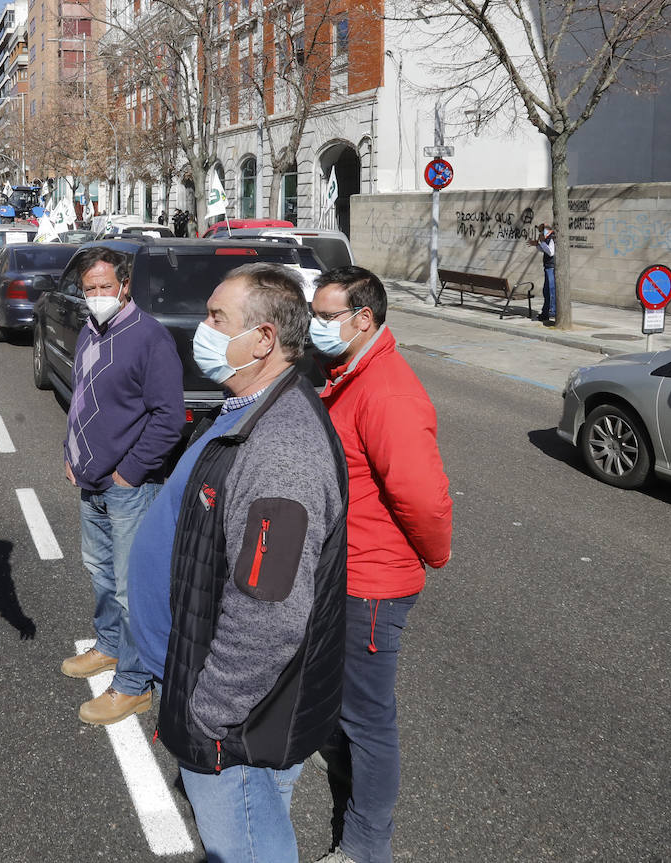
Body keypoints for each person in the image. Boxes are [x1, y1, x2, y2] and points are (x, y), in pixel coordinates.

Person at [127, 262, 348, 861]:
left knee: (246, 843)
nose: (202, 329)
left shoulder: (281, 452)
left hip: (234, 724)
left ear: (265, 338)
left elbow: (269, 612)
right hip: (202, 680)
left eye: (216, 318)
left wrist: (209, 715)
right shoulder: (245, 408)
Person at [308, 266, 453, 863]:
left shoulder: (385, 389)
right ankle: (351, 794)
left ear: (362, 319)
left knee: (369, 721)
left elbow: (422, 496)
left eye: (324, 317)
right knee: (346, 708)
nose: (315, 327)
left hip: (371, 581)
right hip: (344, 570)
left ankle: (367, 846)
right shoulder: (345, 373)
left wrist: (433, 554)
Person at [60, 247, 183, 725]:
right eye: (89, 289)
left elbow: (168, 418)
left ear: (125, 286)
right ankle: (109, 646)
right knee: (99, 570)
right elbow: (83, 399)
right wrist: (69, 453)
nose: (96, 296)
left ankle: (134, 684)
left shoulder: (149, 338)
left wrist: (128, 472)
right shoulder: (91, 331)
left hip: (129, 486)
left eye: (104, 287)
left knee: (134, 589)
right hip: (90, 479)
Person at [530, 223, 556, 323]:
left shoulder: (551, 238)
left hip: (551, 267)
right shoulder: (547, 238)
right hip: (548, 267)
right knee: (546, 291)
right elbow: (545, 250)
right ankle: (545, 312)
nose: (540, 233)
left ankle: (552, 311)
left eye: (541, 231)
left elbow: (551, 252)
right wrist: (538, 245)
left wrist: (542, 242)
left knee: (551, 289)